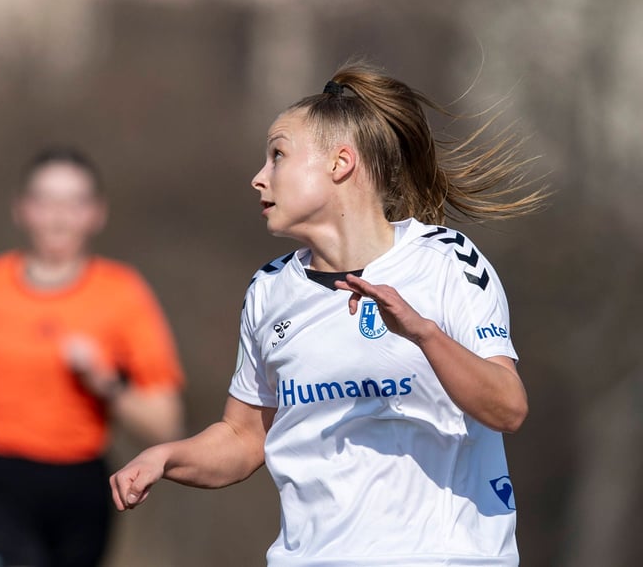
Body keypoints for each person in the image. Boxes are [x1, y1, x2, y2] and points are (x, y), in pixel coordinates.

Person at [110, 62, 546, 566]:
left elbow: (508, 407)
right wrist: (166, 457)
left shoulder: (447, 260)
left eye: (278, 156)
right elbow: (244, 436)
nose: (258, 178)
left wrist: (423, 334)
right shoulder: (269, 290)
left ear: (340, 164)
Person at [0, 147, 184, 567]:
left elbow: (165, 422)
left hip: (79, 489)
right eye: (46, 202)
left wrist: (104, 382)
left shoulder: (125, 296)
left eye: (73, 203)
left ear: (97, 213)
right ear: (21, 210)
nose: (58, 217)